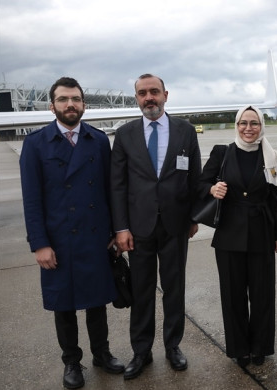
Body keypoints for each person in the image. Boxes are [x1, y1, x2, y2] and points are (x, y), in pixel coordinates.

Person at [20, 77, 125, 389]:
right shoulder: (36, 143)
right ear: (52, 106)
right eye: (63, 99)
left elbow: (109, 191)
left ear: (84, 105)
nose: (70, 105)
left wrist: (113, 231)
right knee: (63, 305)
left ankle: (101, 354)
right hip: (58, 240)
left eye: (76, 99)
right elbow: (32, 200)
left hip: (94, 237)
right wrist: (39, 244)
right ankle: (71, 361)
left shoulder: (97, 140)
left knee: (97, 302)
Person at [110, 74, 201, 380]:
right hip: (139, 228)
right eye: (142, 93)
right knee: (142, 290)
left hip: (176, 226)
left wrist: (193, 219)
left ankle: (173, 346)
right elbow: (118, 186)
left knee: (174, 290)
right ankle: (141, 351)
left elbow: (195, 179)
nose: (148, 97)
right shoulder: (124, 135)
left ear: (165, 94)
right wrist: (121, 227)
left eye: (154, 92)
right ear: (136, 98)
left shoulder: (185, 131)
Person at [199, 105, 277, 371]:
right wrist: (213, 188)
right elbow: (200, 183)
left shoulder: (271, 156)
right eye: (243, 123)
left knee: (262, 295)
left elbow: (274, 197)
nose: (248, 128)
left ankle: (260, 347)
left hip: (261, 231)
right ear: (236, 125)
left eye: (254, 123)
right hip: (229, 235)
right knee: (233, 295)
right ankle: (239, 348)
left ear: (262, 126)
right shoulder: (222, 153)